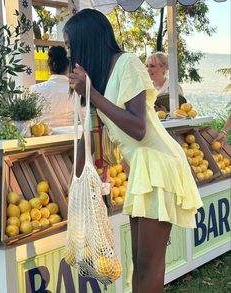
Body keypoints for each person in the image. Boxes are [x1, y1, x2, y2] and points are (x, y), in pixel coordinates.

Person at [64, 9, 203, 293]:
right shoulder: (99, 79)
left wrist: (94, 94)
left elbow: (138, 127)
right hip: (141, 169)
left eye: (71, 45)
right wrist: (76, 186)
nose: (70, 54)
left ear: (86, 42)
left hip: (158, 164)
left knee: (149, 265)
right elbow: (90, 136)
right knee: (138, 264)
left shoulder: (127, 63)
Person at [30, 46, 74, 128]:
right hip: (71, 138)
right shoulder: (76, 90)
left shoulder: (34, 89)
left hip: (42, 137)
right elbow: (86, 118)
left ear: (49, 68)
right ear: (68, 68)